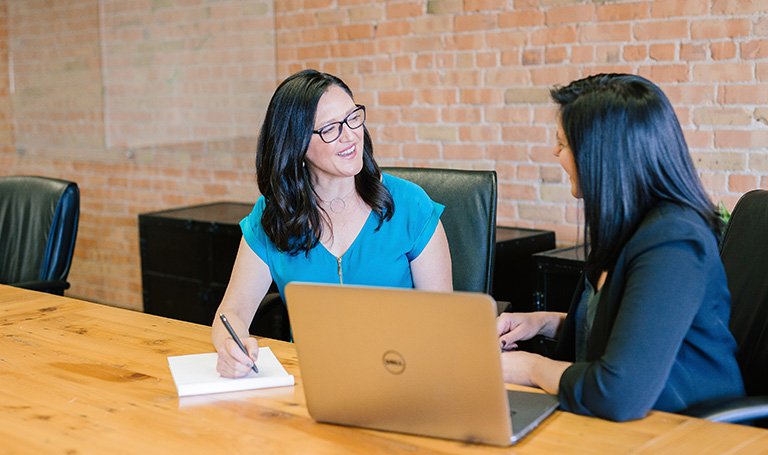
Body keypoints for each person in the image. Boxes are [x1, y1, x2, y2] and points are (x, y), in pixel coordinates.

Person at [497, 74, 745, 421]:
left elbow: (618, 392)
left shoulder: (674, 243)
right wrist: (543, 322)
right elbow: (628, 328)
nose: (555, 152)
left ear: (601, 155)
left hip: (688, 428)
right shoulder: (628, 227)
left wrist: (530, 368)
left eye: (562, 143)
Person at [213, 69, 452, 378]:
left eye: (353, 118)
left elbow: (444, 322)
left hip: (402, 376)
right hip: (310, 381)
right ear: (296, 144)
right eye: (330, 129)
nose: (351, 135)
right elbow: (232, 312)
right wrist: (231, 349)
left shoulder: (410, 206)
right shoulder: (273, 216)